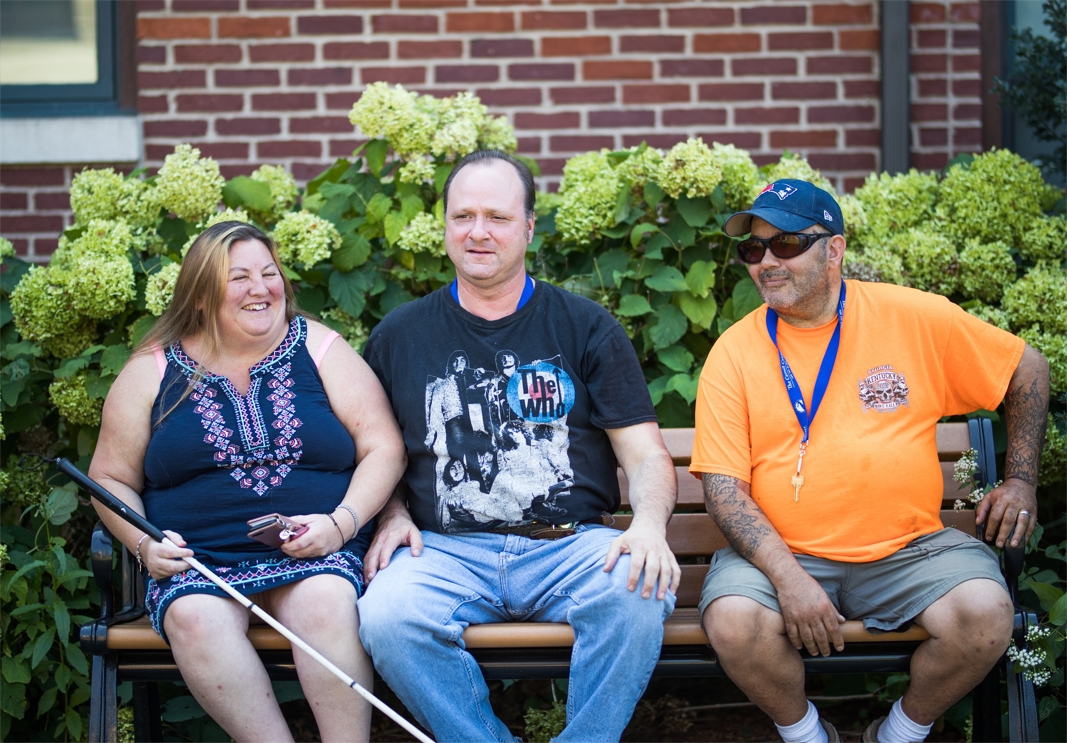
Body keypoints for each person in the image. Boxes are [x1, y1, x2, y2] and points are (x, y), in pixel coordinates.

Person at [691, 180, 1050, 743]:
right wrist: (788, 578)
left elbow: (1026, 368)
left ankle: (899, 734)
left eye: (785, 244)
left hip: (908, 551)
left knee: (984, 616)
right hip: (782, 555)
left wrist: (1021, 480)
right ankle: (808, 735)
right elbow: (724, 489)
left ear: (834, 250)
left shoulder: (913, 317)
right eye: (752, 249)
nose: (766, 262)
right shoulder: (733, 352)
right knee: (734, 622)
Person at [357, 150, 680, 742]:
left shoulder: (585, 326)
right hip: (446, 554)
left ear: (529, 228)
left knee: (636, 592)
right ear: (446, 225)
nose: (478, 232)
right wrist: (394, 513)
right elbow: (373, 451)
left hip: (570, 547)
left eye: (498, 218)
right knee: (386, 615)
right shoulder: (399, 335)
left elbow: (646, 455)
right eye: (463, 216)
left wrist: (650, 526)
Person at [88, 221, 406, 742]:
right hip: (202, 565)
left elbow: (384, 447)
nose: (261, 288)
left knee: (328, 601)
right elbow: (109, 477)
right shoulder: (152, 369)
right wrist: (145, 544)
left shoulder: (321, 348)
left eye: (269, 273)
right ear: (200, 294)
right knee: (193, 618)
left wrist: (341, 524)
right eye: (239, 278)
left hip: (314, 551)